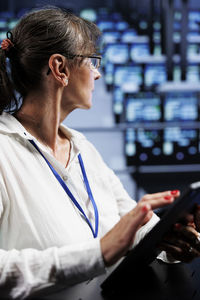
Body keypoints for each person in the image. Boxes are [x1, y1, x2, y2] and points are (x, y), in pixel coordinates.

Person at [0, 7, 200, 300]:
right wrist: (100, 252)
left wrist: (168, 238)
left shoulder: (84, 148)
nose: (98, 73)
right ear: (60, 68)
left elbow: (132, 231)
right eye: (92, 61)